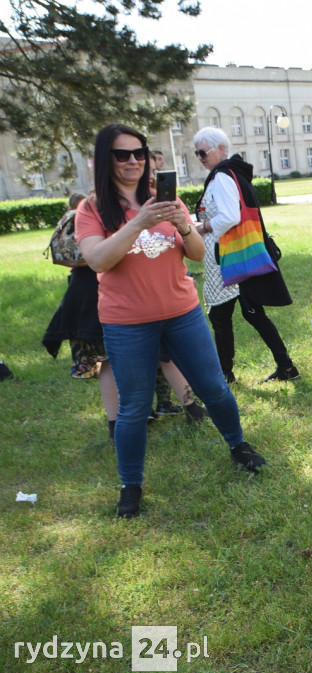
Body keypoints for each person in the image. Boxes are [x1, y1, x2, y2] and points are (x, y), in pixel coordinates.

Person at [76, 123, 268, 518]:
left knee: (214, 388)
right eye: (122, 154)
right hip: (127, 323)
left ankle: (238, 445)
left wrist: (182, 222)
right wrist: (139, 223)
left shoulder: (167, 200)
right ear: (105, 160)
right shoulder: (92, 210)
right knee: (132, 408)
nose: (133, 161)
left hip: (183, 314)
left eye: (139, 154)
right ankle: (131, 486)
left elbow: (196, 253)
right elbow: (97, 259)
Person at [43, 193, 203, 437]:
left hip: (113, 296)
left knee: (154, 356)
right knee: (108, 360)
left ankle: (174, 410)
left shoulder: (113, 211)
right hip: (101, 297)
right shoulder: (95, 212)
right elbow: (97, 259)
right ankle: (120, 424)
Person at [192, 127, 299, 383]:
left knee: (220, 316)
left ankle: (225, 375)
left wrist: (203, 226)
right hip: (241, 254)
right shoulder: (235, 173)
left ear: (220, 148)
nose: (200, 157)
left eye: (203, 152)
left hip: (227, 256)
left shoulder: (222, 177)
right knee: (252, 313)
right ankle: (286, 367)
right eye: (196, 153)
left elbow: (230, 216)